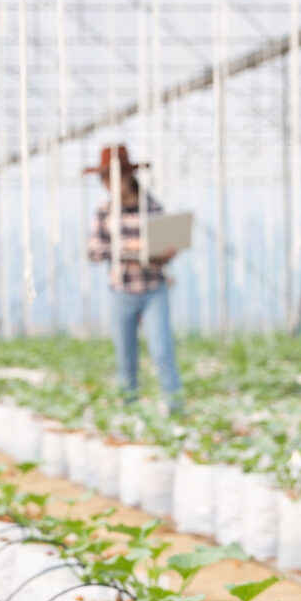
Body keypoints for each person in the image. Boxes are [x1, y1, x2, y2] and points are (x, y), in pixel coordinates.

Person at [86, 144, 182, 408]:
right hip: (122, 290)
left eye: (111, 177)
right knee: (125, 358)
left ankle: (175, 409)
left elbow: (165, 248)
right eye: (104, 178)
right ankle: (128, 411)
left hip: (153, 289)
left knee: (162, 352)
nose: (107, 184)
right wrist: (132, 248)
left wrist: (162, 252)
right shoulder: (104, 211)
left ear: (128, 176)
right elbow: (94, 251)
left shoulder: (152, 206)